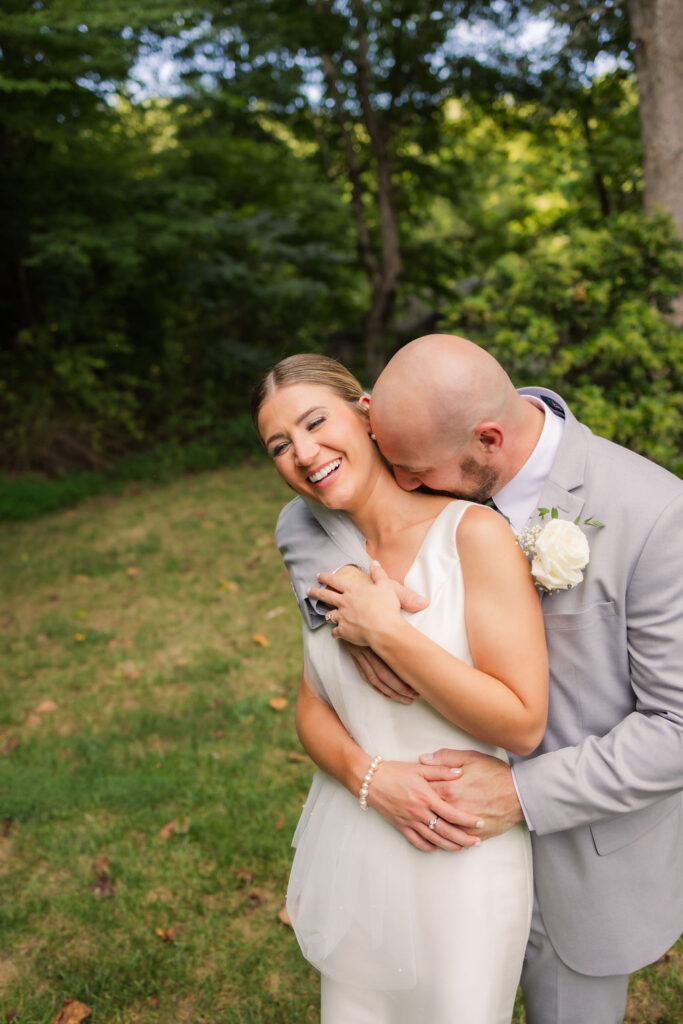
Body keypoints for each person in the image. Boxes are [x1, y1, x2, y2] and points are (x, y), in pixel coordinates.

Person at [278, 334, 683, 1024]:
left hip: (579, 854)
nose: (400, 482)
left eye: (410, 469)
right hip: (426, 856)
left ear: (488, 441)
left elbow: (675, 729)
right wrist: (347, 591)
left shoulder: (654, 514)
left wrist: (519, 793)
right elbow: (318, 517)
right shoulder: (356, 499)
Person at [252, 353, 549, 1023]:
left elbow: (522, 722)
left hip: (460, 858)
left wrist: (388, 633)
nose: (302, 452)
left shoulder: (471, 536)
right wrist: (369, 778)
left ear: (366, 415)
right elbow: (311, 705)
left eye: (314, 422)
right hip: (359, 841)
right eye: (279, 444)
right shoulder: (321, 555)